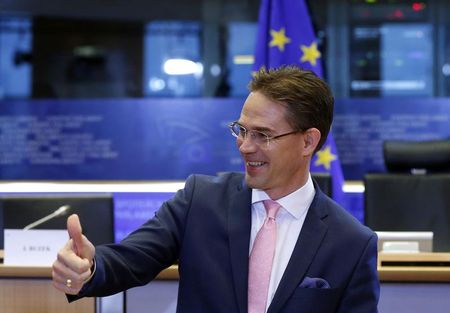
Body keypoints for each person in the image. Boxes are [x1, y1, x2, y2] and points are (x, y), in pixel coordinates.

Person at [52, 66, 380, 313]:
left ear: (308, 141)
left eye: (262, 135)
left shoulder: (351, 243)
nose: (244, 146)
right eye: (241, 130)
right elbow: (130, 260)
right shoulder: (201, 200)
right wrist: (89, 268)